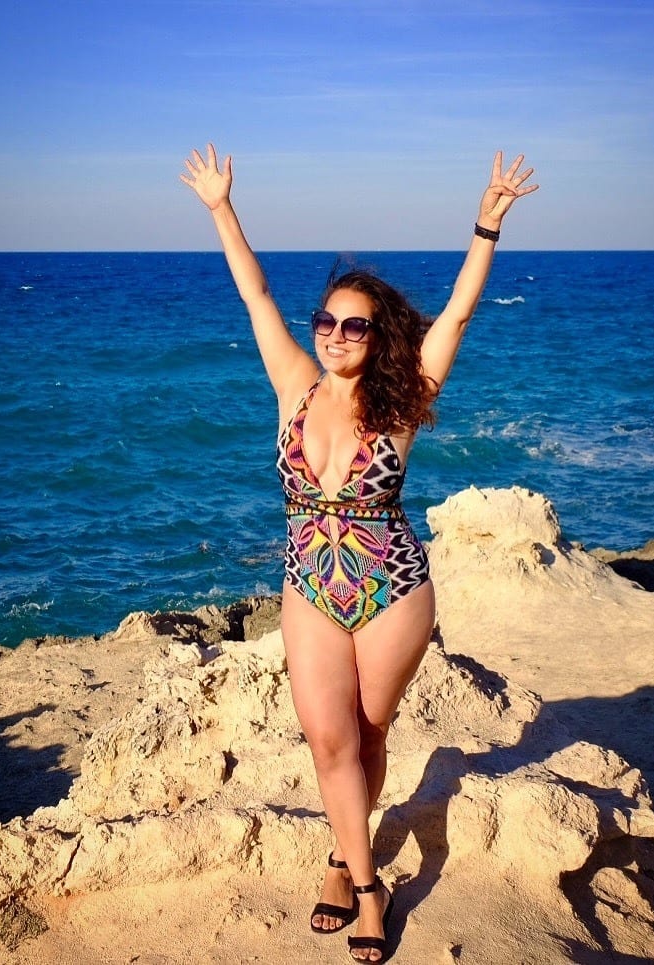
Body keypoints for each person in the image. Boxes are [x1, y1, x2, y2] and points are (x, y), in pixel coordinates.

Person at [180, 144, 537, 963]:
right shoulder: (293, 382)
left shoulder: (406, 396)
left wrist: (486, 223)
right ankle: (370, 888)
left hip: (395, 585)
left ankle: (344, 856)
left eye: (354, 324)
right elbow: (255, 290)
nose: (335, 334)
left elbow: (456, 317)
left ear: (378, 336)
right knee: (329, 739)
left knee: (371, 735)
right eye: (327, 321)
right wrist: (219, 207)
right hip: (310, 584)